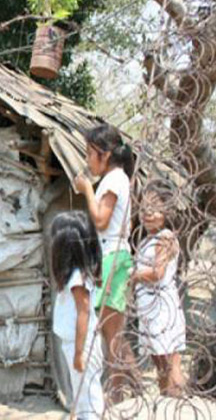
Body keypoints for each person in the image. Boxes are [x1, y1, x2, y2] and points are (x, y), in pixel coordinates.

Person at [73, 124, 137, 403]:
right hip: (113, 256)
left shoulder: (112, 181)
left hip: (113, 257)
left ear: (105, 154)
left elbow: (101, 220)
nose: (88, 160)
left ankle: (115, 396)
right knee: (114, 331)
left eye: (90, 153)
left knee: (112, 333)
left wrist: (87, 189)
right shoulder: (118, 179)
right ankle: (120, 393)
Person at [131, 181, 186, 396]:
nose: (148, 214)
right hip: (151, 310)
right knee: (161, 366)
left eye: (154, 208)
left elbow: (157, 272)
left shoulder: (164, 238)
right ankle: (168, 405)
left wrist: (132, 275)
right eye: (144, 208)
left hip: (162, 310)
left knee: (170, 365)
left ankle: (178, 407)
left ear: (167, 209)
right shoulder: (149, 239)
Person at [51, 211, 105, 420]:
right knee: (82, 395)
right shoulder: (75, 275)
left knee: (89, 397)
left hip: (80, 344)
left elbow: (83, 314)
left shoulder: (76, 279)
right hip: (74, 343)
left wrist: (79, 353)